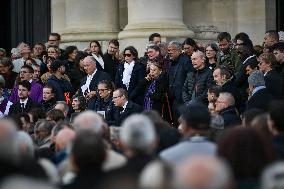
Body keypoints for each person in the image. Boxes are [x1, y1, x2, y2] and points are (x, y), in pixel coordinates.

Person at [167, 41, 192, 126]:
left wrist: (186, 97)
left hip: (182, 99)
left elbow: (190, 80)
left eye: (172, 50)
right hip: (174, 98)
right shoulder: (172, 61)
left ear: (179, 50)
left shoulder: (186, 61)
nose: (169, 52)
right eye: (168, 50)